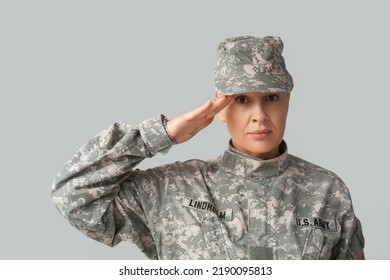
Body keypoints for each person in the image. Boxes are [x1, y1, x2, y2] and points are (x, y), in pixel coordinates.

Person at [51, 35, 365, 260]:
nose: (259, 115)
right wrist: (159, 135)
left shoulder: (327, 190)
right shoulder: (171, 188)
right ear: (220, 108)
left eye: (271, 97)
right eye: (242, 100)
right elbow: (74, 197)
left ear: (288, 102)